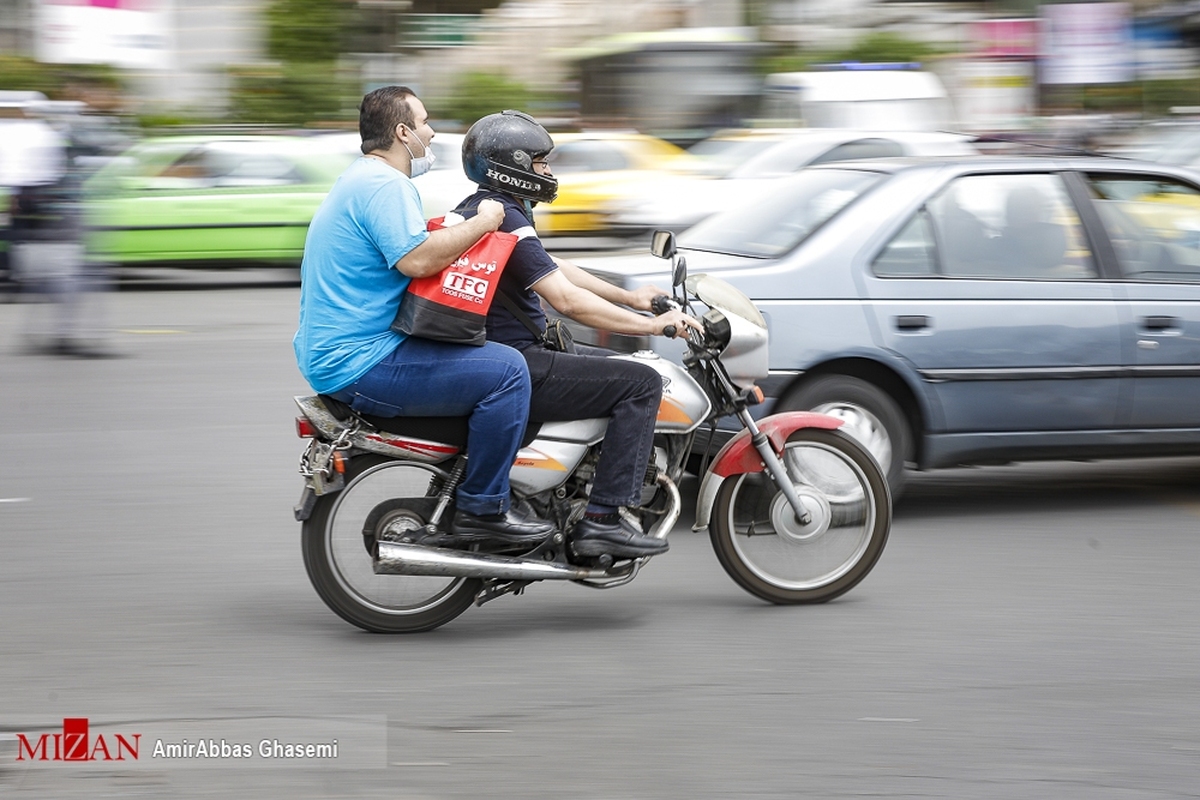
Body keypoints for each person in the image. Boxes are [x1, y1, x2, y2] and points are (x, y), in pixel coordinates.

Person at [294, 87, 553, 548]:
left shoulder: (358, 179)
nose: (431, 132)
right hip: (363, 359)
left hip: (336, 352)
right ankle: (484, 508)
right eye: (425, 121)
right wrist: (484, 222)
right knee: (509, 371)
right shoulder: (387, 185)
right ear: (402, 132)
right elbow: (416, 260)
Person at [455, 110, 702, 560]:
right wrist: (653, 327)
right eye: (539, 162)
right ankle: (602, 521)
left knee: (628, 368)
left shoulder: (486, 208)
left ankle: (578, 485)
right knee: (644, 383)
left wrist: (631, 299)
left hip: (511, 354)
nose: (548, 171)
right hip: (518, 361)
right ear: (510, 165)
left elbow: (554, 267)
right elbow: (566, 300)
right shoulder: (503, 214)